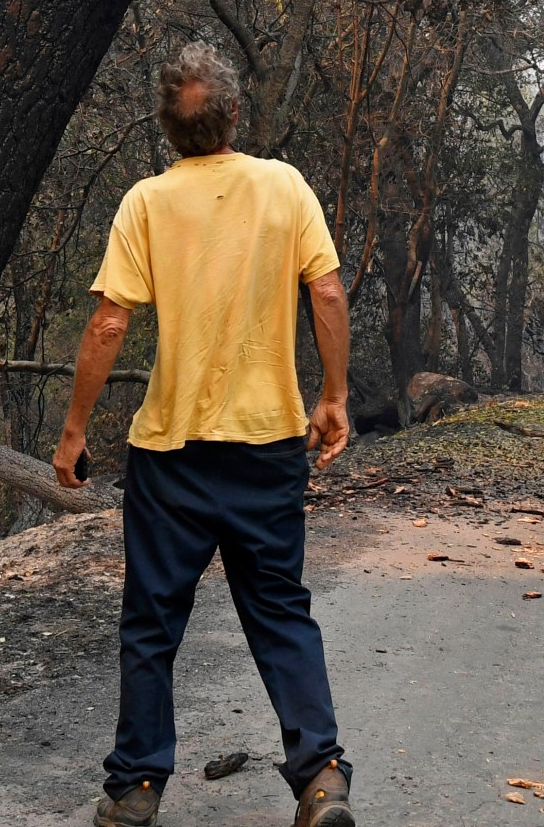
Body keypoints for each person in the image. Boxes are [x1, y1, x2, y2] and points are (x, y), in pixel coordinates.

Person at [54, 41, 356, 827]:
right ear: (232, 116)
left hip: (172, 455)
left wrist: (74, 430)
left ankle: (135, 788)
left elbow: (110, 320)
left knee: (152, 622)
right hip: (267, 446)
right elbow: (325, 291)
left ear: (167, 127)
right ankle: (320, 778)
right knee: (281, 610)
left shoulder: (147, 203)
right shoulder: (283, 187)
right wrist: (333, 398)